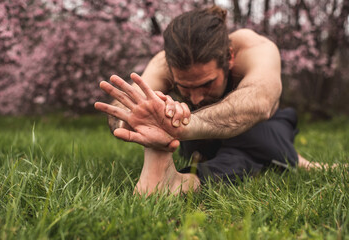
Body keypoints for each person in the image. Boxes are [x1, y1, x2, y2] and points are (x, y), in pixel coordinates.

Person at [95, 6, 322, 195]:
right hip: (200, 140)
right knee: (250, 152)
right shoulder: (163, 63)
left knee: (251, 141)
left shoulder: (255, 48)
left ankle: (182, 183)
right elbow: (126, 103)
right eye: (184, 87)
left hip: (262, 128)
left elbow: (261, 101)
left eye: (207, 84)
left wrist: (182, 126)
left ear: (230, 57)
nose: (196, 98)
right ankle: (288, 159)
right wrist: (132, 120)